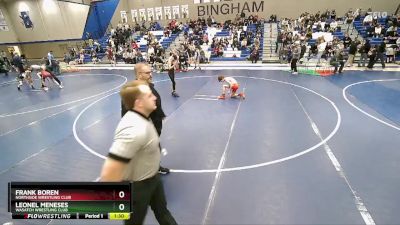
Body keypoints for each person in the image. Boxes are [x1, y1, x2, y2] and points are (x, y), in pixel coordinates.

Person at [101, 80, 178, 225]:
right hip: (137, 188)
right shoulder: (132, 129)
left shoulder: (144, 117)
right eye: (149, 96)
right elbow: (110, 172)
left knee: (163, 212)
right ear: (139, 103)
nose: (155, 97)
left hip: (152, 178)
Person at [121, 63, 170, 175]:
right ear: (139, 74)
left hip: (154, 126)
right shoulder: (133, 90)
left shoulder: (147, 86)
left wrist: (160, 115)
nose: (151, 74)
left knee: (154, 148)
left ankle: (155, 166)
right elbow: (126, 112)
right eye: (147, 73)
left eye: (150, 72)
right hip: (145, 128)